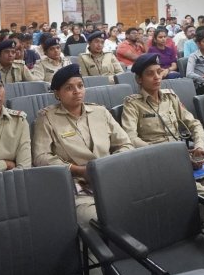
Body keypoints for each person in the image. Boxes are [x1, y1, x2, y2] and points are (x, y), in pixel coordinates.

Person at [32, 65, 134, 224]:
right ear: (57, 94)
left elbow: (125, 143)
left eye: (80, 86)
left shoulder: (100, 112)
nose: (77, 91)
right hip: (76, 184)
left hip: (111, 177)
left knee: (136, 209)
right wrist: (78, 170)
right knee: (99, 221)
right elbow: (41, 157)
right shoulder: (46, 118)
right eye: (69, 88)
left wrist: (110, 166)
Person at [121, 54, 204, 196]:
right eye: (150, 74)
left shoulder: (170, 97)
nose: (157, 77)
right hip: (157, 164)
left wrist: (199, 146)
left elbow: (194, 124)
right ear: (139, 79)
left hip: (184, 159)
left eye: (159, 72)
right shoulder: (133, 104)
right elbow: (130, 138)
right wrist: (169, 154)